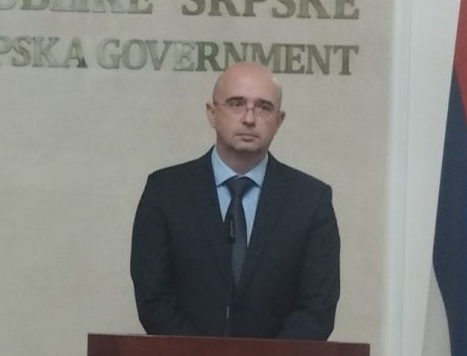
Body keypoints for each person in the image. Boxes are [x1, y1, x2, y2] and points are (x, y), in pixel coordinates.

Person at [130, 62, 339, 340]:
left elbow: (317, 308)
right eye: (236, 104)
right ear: (212, 113)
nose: (249, 118)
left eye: (263, 107)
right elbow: (154, 299)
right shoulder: (166, 192)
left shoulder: (311, 200)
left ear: (279, 120)